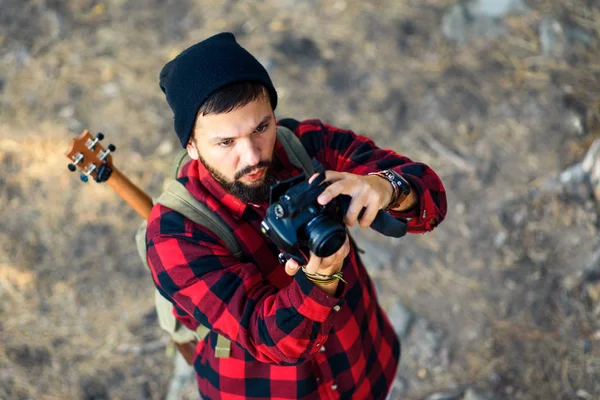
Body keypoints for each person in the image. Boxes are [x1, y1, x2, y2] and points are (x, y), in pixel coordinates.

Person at [146, 32, 447, 400]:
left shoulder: (307, 145)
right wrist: (321, 276)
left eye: (261, 128)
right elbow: (269, 339)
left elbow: (431, 197)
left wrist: (386, 187)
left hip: (359, 366)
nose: (253, 155)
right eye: (226, 142)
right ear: (191, 146)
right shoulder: (174, 234)